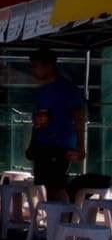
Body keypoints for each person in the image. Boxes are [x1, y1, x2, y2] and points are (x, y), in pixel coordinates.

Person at [25, 47, 86, 203]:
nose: (33, 70)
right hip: (43, 145)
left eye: (36, 66)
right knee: (47, 185)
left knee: (56, 184)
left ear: (49, 66)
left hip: (59, 145)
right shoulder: (42, 90)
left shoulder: (66, 88)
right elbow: (38, 121)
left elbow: (79, 116)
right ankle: (56, 215)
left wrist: (80, 145)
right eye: (32, 66)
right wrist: (32, 144)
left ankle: (64, 215)